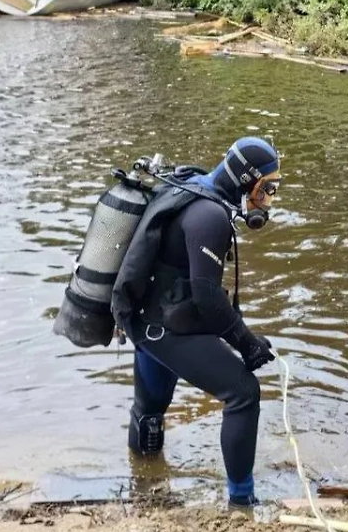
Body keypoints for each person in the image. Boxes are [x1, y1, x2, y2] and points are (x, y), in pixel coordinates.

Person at [110, 137, 281, 508]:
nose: (268, 200)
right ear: (247, 181)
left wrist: (242, 337)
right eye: (267, 189)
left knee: (149, 411)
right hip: (163, 327)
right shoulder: (211, 217)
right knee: (243, 393)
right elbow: (207, 297)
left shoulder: (191, 184)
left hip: (142, 320)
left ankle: (144, 485)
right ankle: (242, 502)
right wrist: (247, 344)